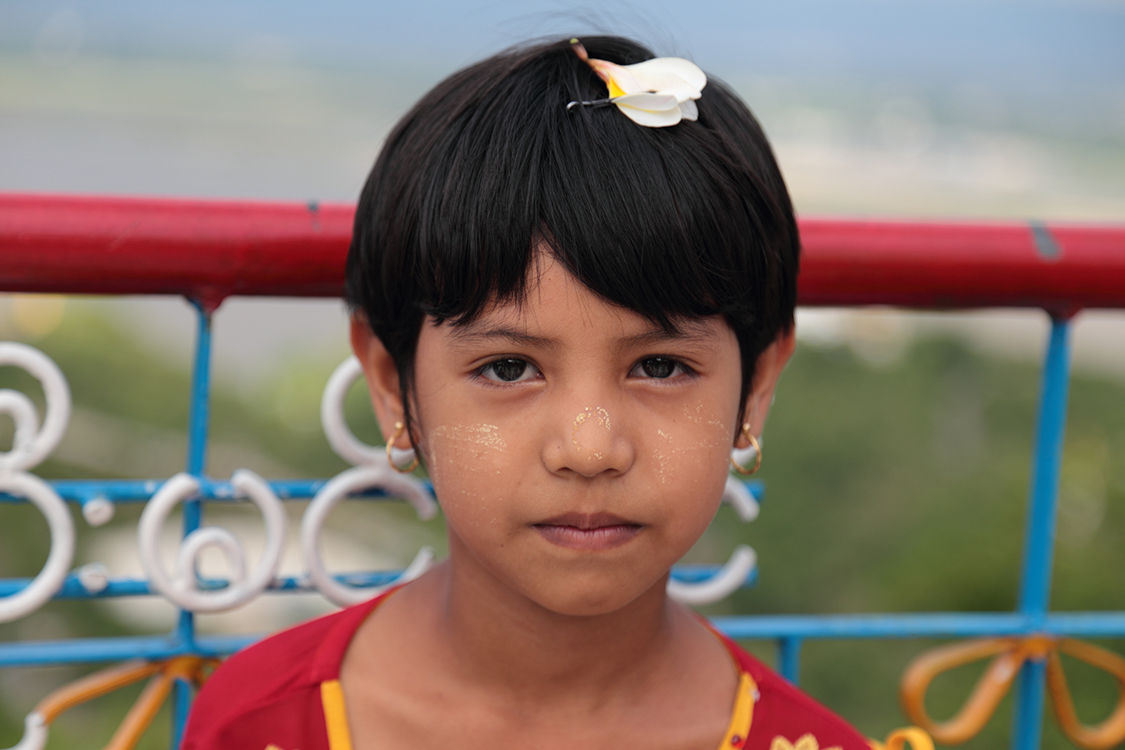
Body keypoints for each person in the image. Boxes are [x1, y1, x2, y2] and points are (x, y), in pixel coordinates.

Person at [181, 35, 881, 750]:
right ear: (395, 389)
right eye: (509, 369)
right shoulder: (260, 724)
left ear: (755, 387)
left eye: (661, 367)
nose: (588, 448)